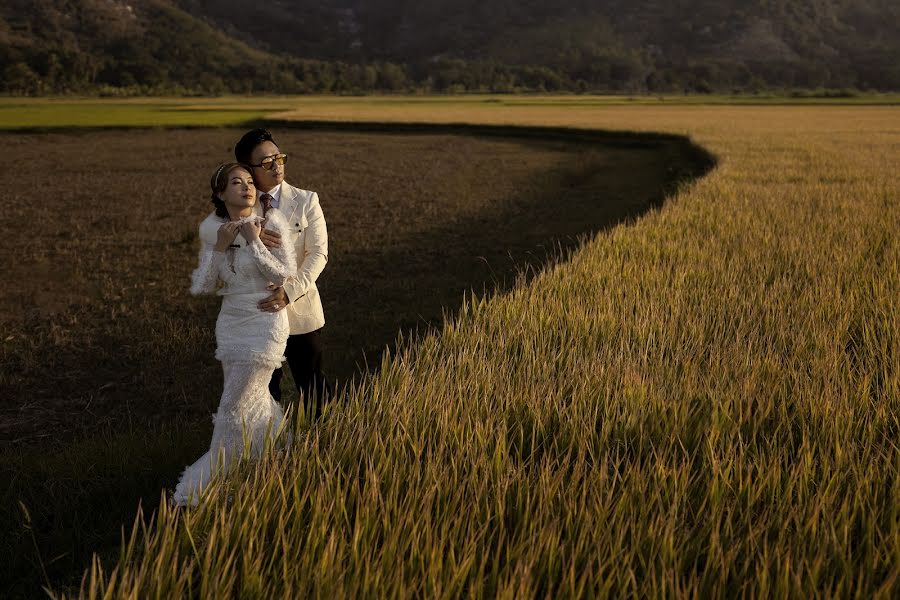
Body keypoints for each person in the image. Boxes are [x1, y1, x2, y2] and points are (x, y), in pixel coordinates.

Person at [172, 162, 297, 507]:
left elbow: (285, 272)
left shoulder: (272, 222)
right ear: (220, 193)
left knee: (232, 406)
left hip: (265, 321)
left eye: (248, 182)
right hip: (231, 324)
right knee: (251, 401)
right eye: (235, 182)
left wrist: (254, 242)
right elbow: (203, 285)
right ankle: (273, 458)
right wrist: (220, 247)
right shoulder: (214, 230)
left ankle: (207, 489)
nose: (246, 187)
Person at [233, 128, 331, 420]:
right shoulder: (238, 208)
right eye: (266, 162)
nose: (277, 165)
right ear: (248, 170)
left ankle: (324, 444)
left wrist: (288, 293)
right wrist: (250, 239)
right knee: (263, 392)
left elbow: (318, 254)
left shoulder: (306, 200)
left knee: (313, 387)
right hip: (257, 314)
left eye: (279, 157)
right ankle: (268, 453)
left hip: (301, 310)